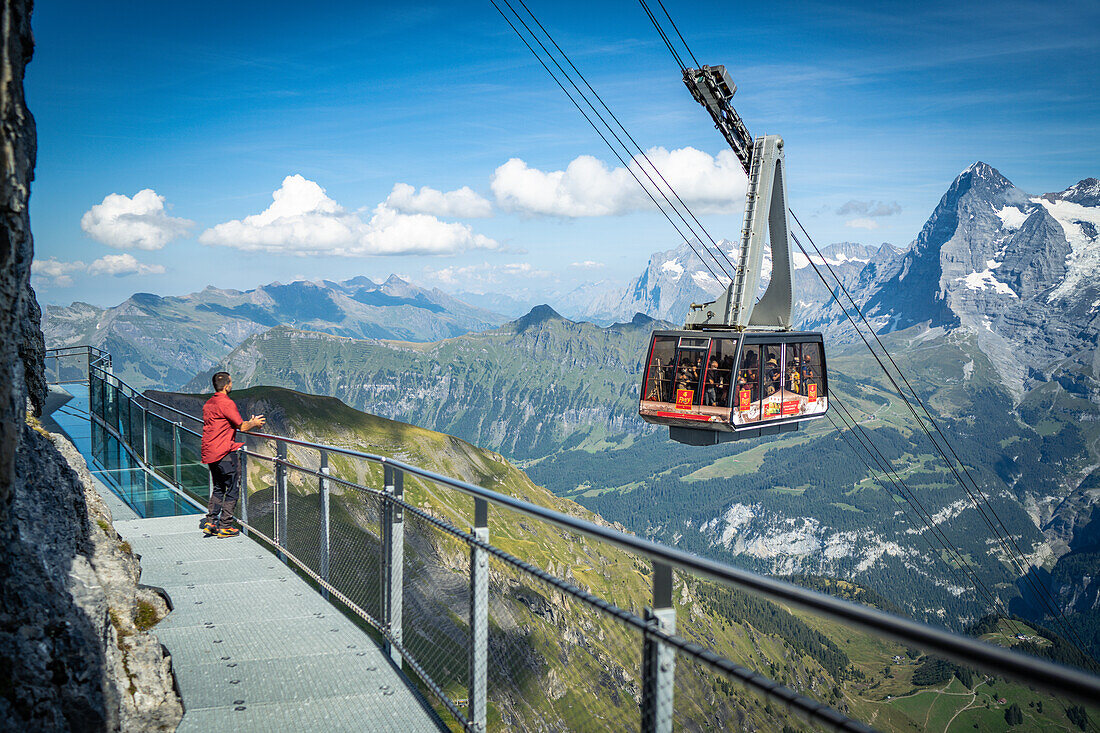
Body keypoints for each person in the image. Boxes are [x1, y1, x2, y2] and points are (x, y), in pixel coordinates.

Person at [200, 371, 265, 538]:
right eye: (231, 382)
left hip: (210, 451)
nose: (232, 385)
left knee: (219, 487)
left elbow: (226, 424)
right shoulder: (226, 403)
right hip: (224, 452)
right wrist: (255, 423)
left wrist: (249, 422)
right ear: (227, 385)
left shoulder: (209, 404)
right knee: (233, 488)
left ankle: (210, 522)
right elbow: (241, 427)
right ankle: (225, 526)